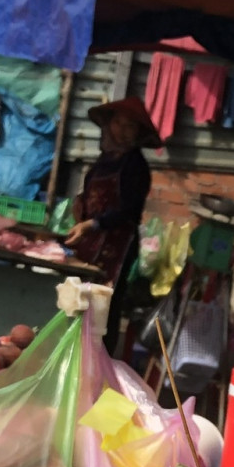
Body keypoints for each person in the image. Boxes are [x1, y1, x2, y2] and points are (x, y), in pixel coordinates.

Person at [68, 96, 156, 347]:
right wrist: (81, 205)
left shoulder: (135, 165)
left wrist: (92, 224)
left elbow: (129, 209)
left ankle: (101, 359)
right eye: (118, 123)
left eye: (130, 126)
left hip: (117, 244)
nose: (122, 130)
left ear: (138, 133)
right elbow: (92, 194)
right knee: (80, 299)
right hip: (91, 240)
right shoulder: (104, 159)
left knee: (105, 304)